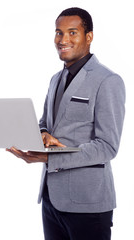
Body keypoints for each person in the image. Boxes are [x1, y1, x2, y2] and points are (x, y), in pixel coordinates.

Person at [7, 7, 125, 240]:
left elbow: (107, 147)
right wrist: (41, 136)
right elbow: (45, 123)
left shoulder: (108, 81)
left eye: (72, 33)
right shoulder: (56, 79)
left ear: (88, 37)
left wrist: (50, 157)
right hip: (51, 199)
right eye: (59, 33)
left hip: (88, 204)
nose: (63, 40)